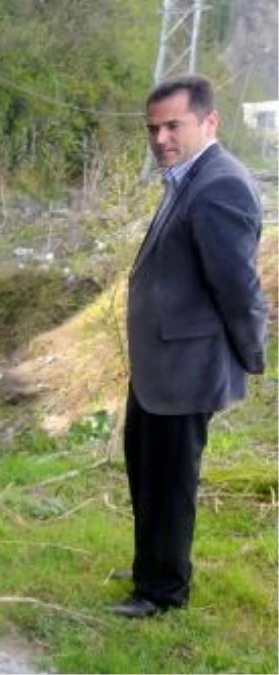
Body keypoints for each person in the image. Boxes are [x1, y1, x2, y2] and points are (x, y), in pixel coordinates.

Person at [113, 74, 268, 618]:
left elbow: (237, 286)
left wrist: (252, 356)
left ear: (209, 122)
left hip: (186, 369)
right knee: (147, 472)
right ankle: (151, 566)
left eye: (173, 125)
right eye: (153, 128)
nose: (160, 138)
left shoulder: (219, 184)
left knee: (170, 482)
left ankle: (163, 591)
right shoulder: (188, 177)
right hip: (162, 367)